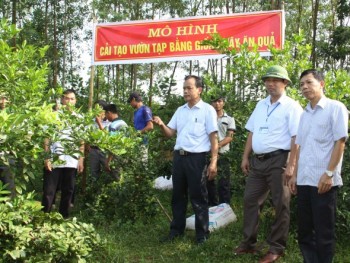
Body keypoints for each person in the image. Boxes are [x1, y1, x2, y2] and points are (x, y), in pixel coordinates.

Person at [234, 65, 303, 263]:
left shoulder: (292, 106)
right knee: (250, 200)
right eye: (267, 80)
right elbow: (252, 132)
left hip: (279, 160)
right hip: (258, 161)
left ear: (285, 83)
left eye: (275, 80)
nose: (270, 83)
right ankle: (248, 244)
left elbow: (296, 137)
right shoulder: (261, 105)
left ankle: (276, 248)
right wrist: (245, 157)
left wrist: (291, 165)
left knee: (281, 204)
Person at [288, 69, 348, 263]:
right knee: (305, 230)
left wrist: (329, 173)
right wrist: (295, 175)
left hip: (324, 181)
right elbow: (300, 146)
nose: (304, 87)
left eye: (309, 82)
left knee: (324, 231)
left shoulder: (335, 108)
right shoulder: (304, 113)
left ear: (321, 84)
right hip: (305, 179)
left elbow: (340, 143)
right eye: (301, 84)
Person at [153, 75, 218, 244]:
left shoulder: (207, 110)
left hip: (197, 159)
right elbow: (170, 133)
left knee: (198, 197)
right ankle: (176, 231)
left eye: (189, 88)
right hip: (179, 159)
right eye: (184, 88)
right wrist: (161, 124)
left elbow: (213, 137)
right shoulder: (180, 110)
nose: (186, 91)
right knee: (178, 197)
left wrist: (213, 161)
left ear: (199, 90)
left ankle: (202, 234)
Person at [42, 89, 84, 218]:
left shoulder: (80, 118)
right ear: (62, 100)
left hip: (71, 160)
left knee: (68, 190)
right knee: (49, 190)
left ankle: (63, 217)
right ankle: (44, 217)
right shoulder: (54, 116)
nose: (69, 101)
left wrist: (81, 159)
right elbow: (47, 138)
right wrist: (47, 157)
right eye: (67, 98)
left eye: (72, 99)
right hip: (55, 159)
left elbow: (81, 141)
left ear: (75, 101)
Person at [207, 94, 236, 206]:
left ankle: (225, 206)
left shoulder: (229, 119)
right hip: (208, 154)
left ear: (223, 102)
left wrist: (217, 146)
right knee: (209, 180)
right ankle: (212, 205)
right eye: (214, 101)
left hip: (224, 154)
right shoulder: (207, 117)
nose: (217, 104)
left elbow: (230, 136)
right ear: (211, 103)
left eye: (219, 101)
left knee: (224, 182)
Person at [103, 104, 128, 179]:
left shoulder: (113, 125)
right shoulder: (124, 123)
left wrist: (108, 161)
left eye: (105, 114)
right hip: (126, 155)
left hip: (117, 157)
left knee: (116, 178)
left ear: (109, 113)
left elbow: (113, 145)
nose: (105, 117)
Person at [127, 92, 153, 161]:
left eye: (130, 101)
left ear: (133, 99)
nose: (130, 104)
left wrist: (138, 133)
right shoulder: (136, 112)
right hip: (136, 143)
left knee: (142, 165)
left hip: (143, 143)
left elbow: (150, 126)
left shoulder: (145, 109)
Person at [89, 100, 110, 181]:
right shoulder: (91, 121)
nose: (97, 113)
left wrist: (99, 124)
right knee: (94, 173)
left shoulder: (110, 122)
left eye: (100, 110)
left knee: (109, 171)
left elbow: (108, 137)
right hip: (93, 150)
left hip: (105, 150)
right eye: (96, 110)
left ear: (104, 111)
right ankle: (94, 190)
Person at [0, 95, 16, 198]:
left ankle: (8, 212)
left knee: (9, 188)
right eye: (1, 98)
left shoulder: (13, 115)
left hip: (7, 157)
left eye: (5, 98)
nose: (3, 101)